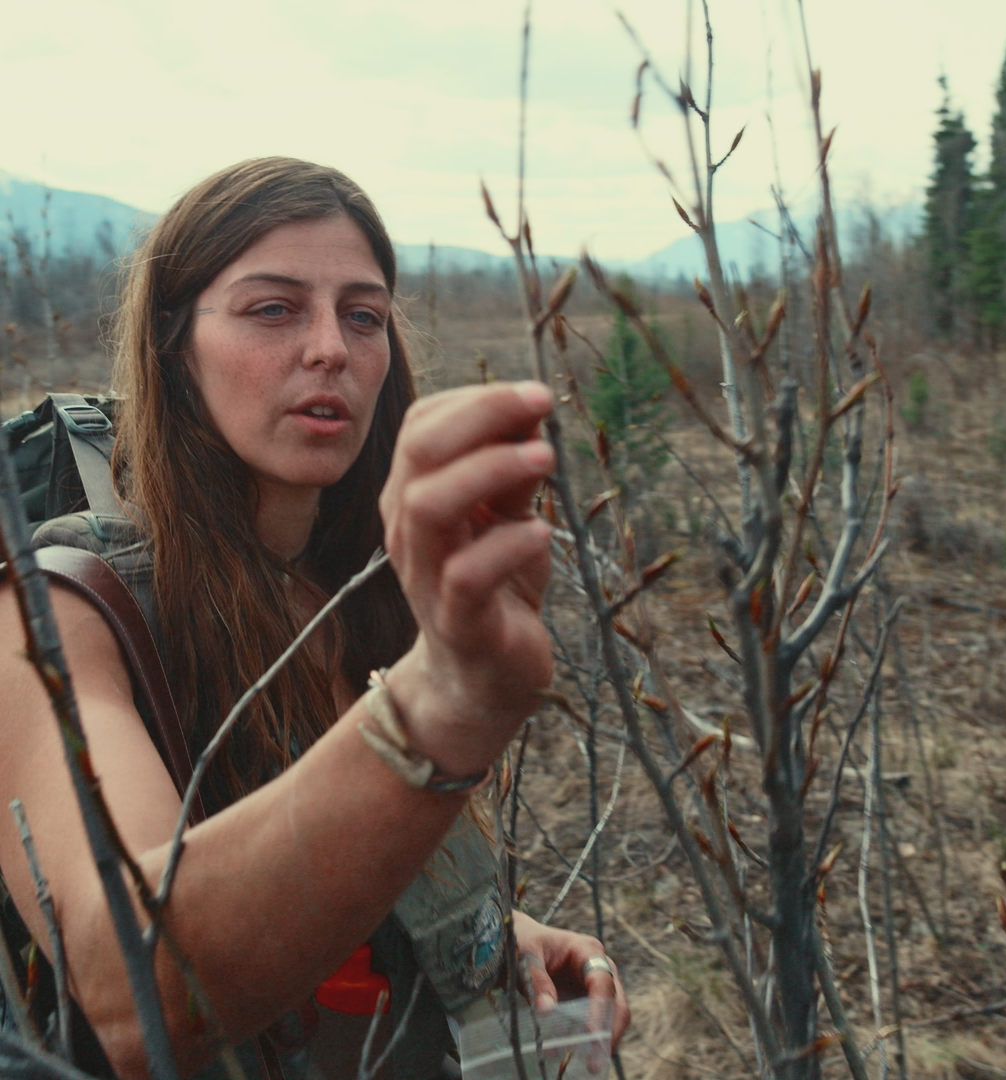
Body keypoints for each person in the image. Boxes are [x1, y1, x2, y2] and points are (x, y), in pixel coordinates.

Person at [0, 157, 629, 1080]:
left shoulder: (362, 587)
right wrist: (438, 705)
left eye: (363, 316)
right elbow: (138, 992)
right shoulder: (60, 611)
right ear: (174, 345)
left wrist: (487, 935)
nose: (332, 347)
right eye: (273, 309)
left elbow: (337, 883)